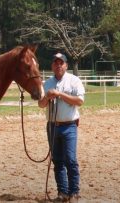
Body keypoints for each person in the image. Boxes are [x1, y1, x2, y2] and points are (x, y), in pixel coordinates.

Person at [38, 53, 85, 203]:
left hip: (69, 126)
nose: (58, 65)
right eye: (56, 63)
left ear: (66, 65)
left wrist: (59, 94)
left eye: (61, 63)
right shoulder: (47, 83)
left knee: (70, 160)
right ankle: (62, 193)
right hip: (52, 126)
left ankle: (74, 192)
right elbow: (41, 104)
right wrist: (47, 97)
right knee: (57, 161)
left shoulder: (74, 81)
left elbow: (79, 101)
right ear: (52, 66)